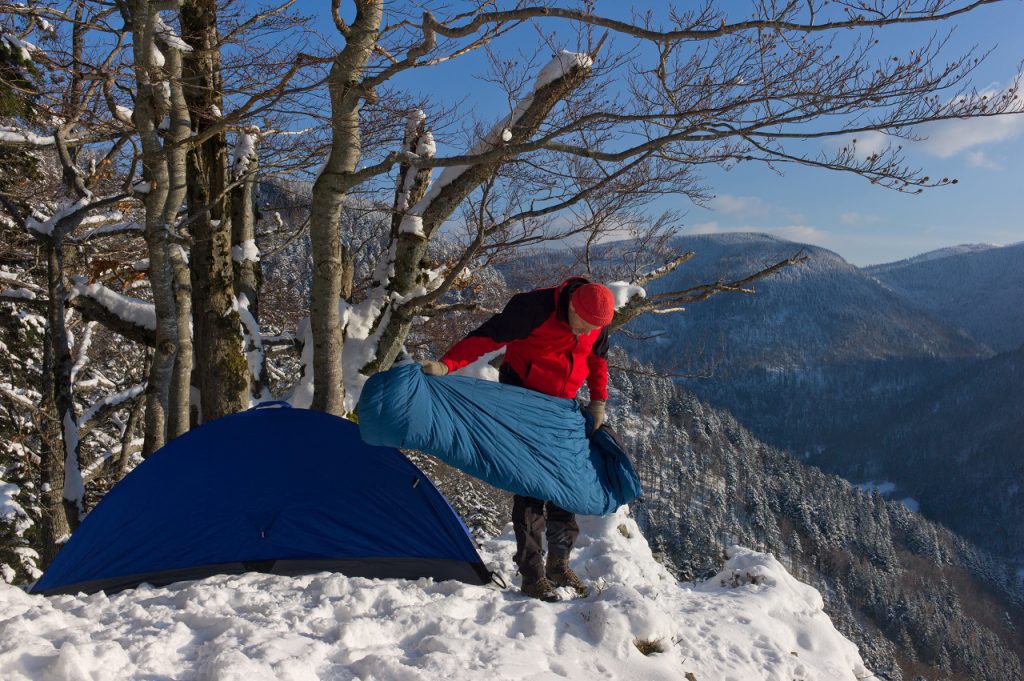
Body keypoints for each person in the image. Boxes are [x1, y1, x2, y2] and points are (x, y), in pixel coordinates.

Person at [419, 276, 616, 601]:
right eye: (582, 325)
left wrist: (598, 401)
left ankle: (558, 565)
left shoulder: (597, 317)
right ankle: (532, 575)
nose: (585, 333)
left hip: (562, 406)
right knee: (531, 488)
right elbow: (487, 337)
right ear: (571, 305)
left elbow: (598, 359)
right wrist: (447, 364)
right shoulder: (532, 309)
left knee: (565, 484)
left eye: (592, 328)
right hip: (522, 400)